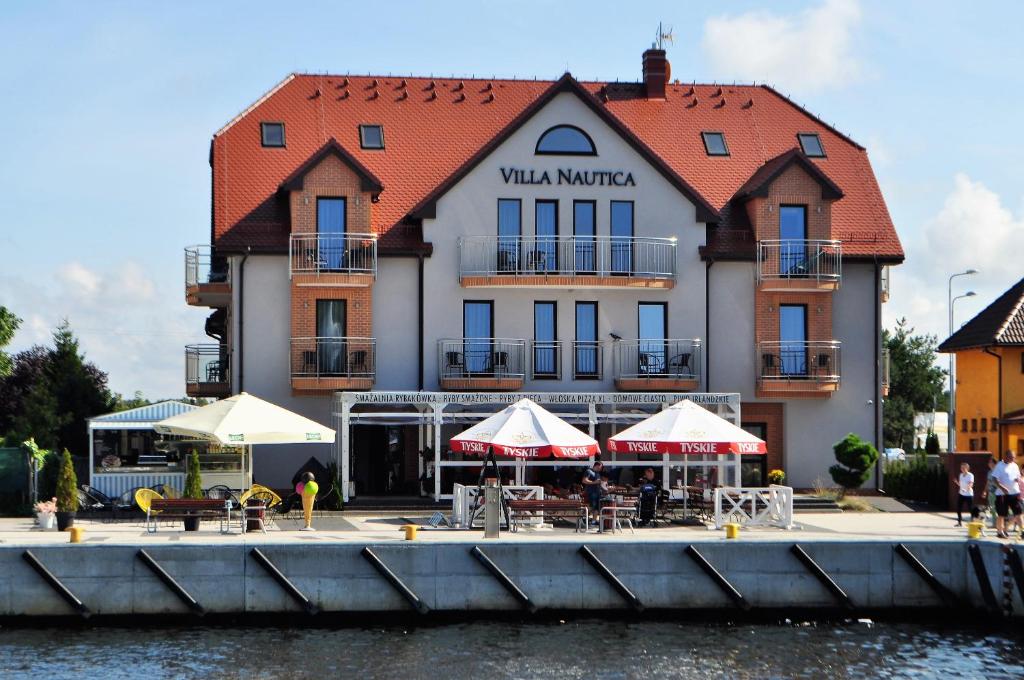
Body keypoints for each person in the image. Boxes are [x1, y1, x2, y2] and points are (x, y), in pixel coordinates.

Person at [993, 451, 1021, 539]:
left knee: (1018, 512)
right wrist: (1002, 488)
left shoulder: (1015, 465)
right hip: (1002, 494)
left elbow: (1018, 476)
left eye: (1013, 457)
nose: (1012, 459)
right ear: (1005, 456)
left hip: (1014, 492)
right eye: (1010, 457)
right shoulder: (999, 466)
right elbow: (994, 479)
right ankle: (1000, 532)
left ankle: (1022, 531)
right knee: (1002, 514)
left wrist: (1018, 479)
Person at [953, 462, 974, 527]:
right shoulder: (961, 475)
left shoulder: (970, 475)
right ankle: (959, 522)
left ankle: (973, 522)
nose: (962, 469)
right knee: (958, 508)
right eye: (961, 467)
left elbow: (971, 484)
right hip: (961, 494)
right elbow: (960, 485)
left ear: (967, 468)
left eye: (963, 467)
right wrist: (956, 482)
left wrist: (966, 489)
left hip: (968, 494)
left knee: (970, 509)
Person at [982, 456, 1000, 528]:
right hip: (991, 492)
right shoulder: (989, 472)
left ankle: (1000, 524)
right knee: (992, 508)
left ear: (995, 463)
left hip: (998, 492)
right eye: (989, 462)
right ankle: (994, 524)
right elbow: (988, 482)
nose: (989, 464)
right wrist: (985, 491)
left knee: (998, 508)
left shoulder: (998, 471)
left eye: (991, 462)